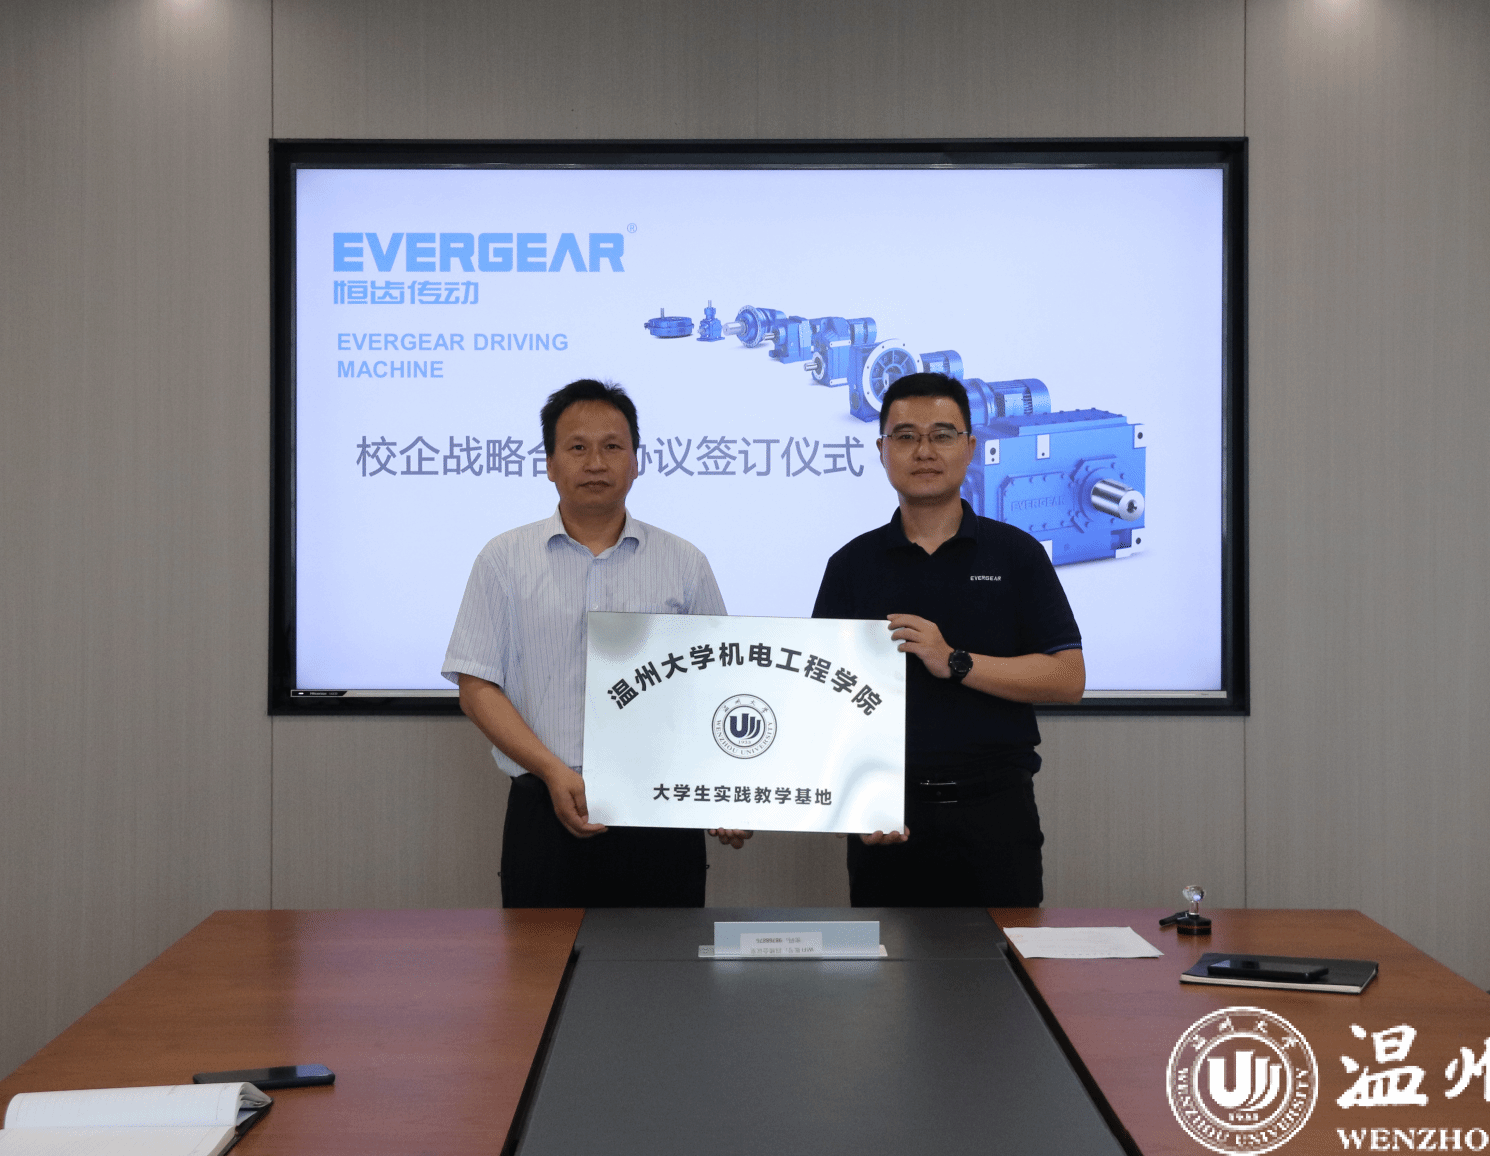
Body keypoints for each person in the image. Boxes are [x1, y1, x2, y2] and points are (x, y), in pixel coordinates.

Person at [443, 378, 751, 908]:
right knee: (542, 962)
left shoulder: (684, 563)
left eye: (612, 446)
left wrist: (729, 788)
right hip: (544, 808)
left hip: (661, 810)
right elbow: (476, 686)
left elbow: (720, 685)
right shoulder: (503, 560)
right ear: (550, 463)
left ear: (636, 462)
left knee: (660, 958)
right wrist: (553, 771)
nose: (595, 463)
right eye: (577, 448)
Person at [812, 370, 1084, 908]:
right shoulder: (851, 565)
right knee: (888, 964)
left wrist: (955, 661)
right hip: (889, 817)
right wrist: (856, 805)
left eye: (942, 435)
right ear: (881, 450)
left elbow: (1067, 677)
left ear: (971, 448)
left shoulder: (1017, 554)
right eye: (905, 436)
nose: (924, 451)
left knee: (1001, 960)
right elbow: (822, 702)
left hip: (995, 816)